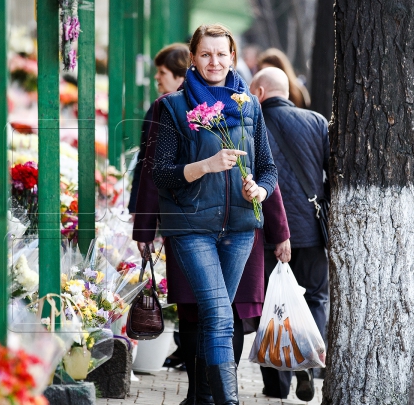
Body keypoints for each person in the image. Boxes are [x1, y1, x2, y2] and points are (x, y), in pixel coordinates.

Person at [151, 23, 278, 404]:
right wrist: (205, 165)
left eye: (222, 54)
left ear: (233, 57)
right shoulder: (172, 107)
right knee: (220, 317)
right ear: (192, 58)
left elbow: (269, 169)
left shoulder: (249, 105)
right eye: (206, 54)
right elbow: (160, 173)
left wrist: (260, 189)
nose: (214, 61)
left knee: (218, 320)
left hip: (240, 228)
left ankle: (206, 400)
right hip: (192, 228)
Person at [249, 67, 329, 402]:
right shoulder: (316, 121)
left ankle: (276, 385)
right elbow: (330, 170)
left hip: (269, 231)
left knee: (272, 305)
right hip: (310, 230)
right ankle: (309, 368)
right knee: (314, 298)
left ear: (261, 94)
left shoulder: (252, 125)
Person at [128, 43, 189, 214]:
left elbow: (147, 165)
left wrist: (138, 210)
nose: (156, 77)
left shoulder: (163, 109)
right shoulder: (161, 107)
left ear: (180, 77)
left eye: (162, 72)